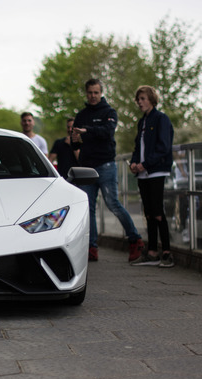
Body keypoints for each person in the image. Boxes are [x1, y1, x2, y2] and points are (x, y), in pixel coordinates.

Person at [72, 78, 144, 262]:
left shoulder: (109, 112)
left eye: (96, 92)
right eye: (90, 93)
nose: (93, 96)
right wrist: (76, 141)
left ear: (101, 92)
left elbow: (107, 131)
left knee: (113, 203)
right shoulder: (81, 115)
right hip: (86, 168)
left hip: (106, 166)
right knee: (88, 208)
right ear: (86, 93)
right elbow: (76, 139)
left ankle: (135, 240)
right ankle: (91, 247)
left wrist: (87, 131)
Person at [129, 85, 174, 268]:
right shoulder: (142, 122)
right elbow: (137, 147)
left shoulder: (161, 119)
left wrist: (144, 164)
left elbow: (164, 147)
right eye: (138, 99)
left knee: (157, 212)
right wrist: (133, 163)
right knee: (148, 212)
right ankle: (152, 252)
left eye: (143, 99)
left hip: (156, 171)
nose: (140, 102)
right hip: (143, 174)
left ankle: (167, 253)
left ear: (152, 100)